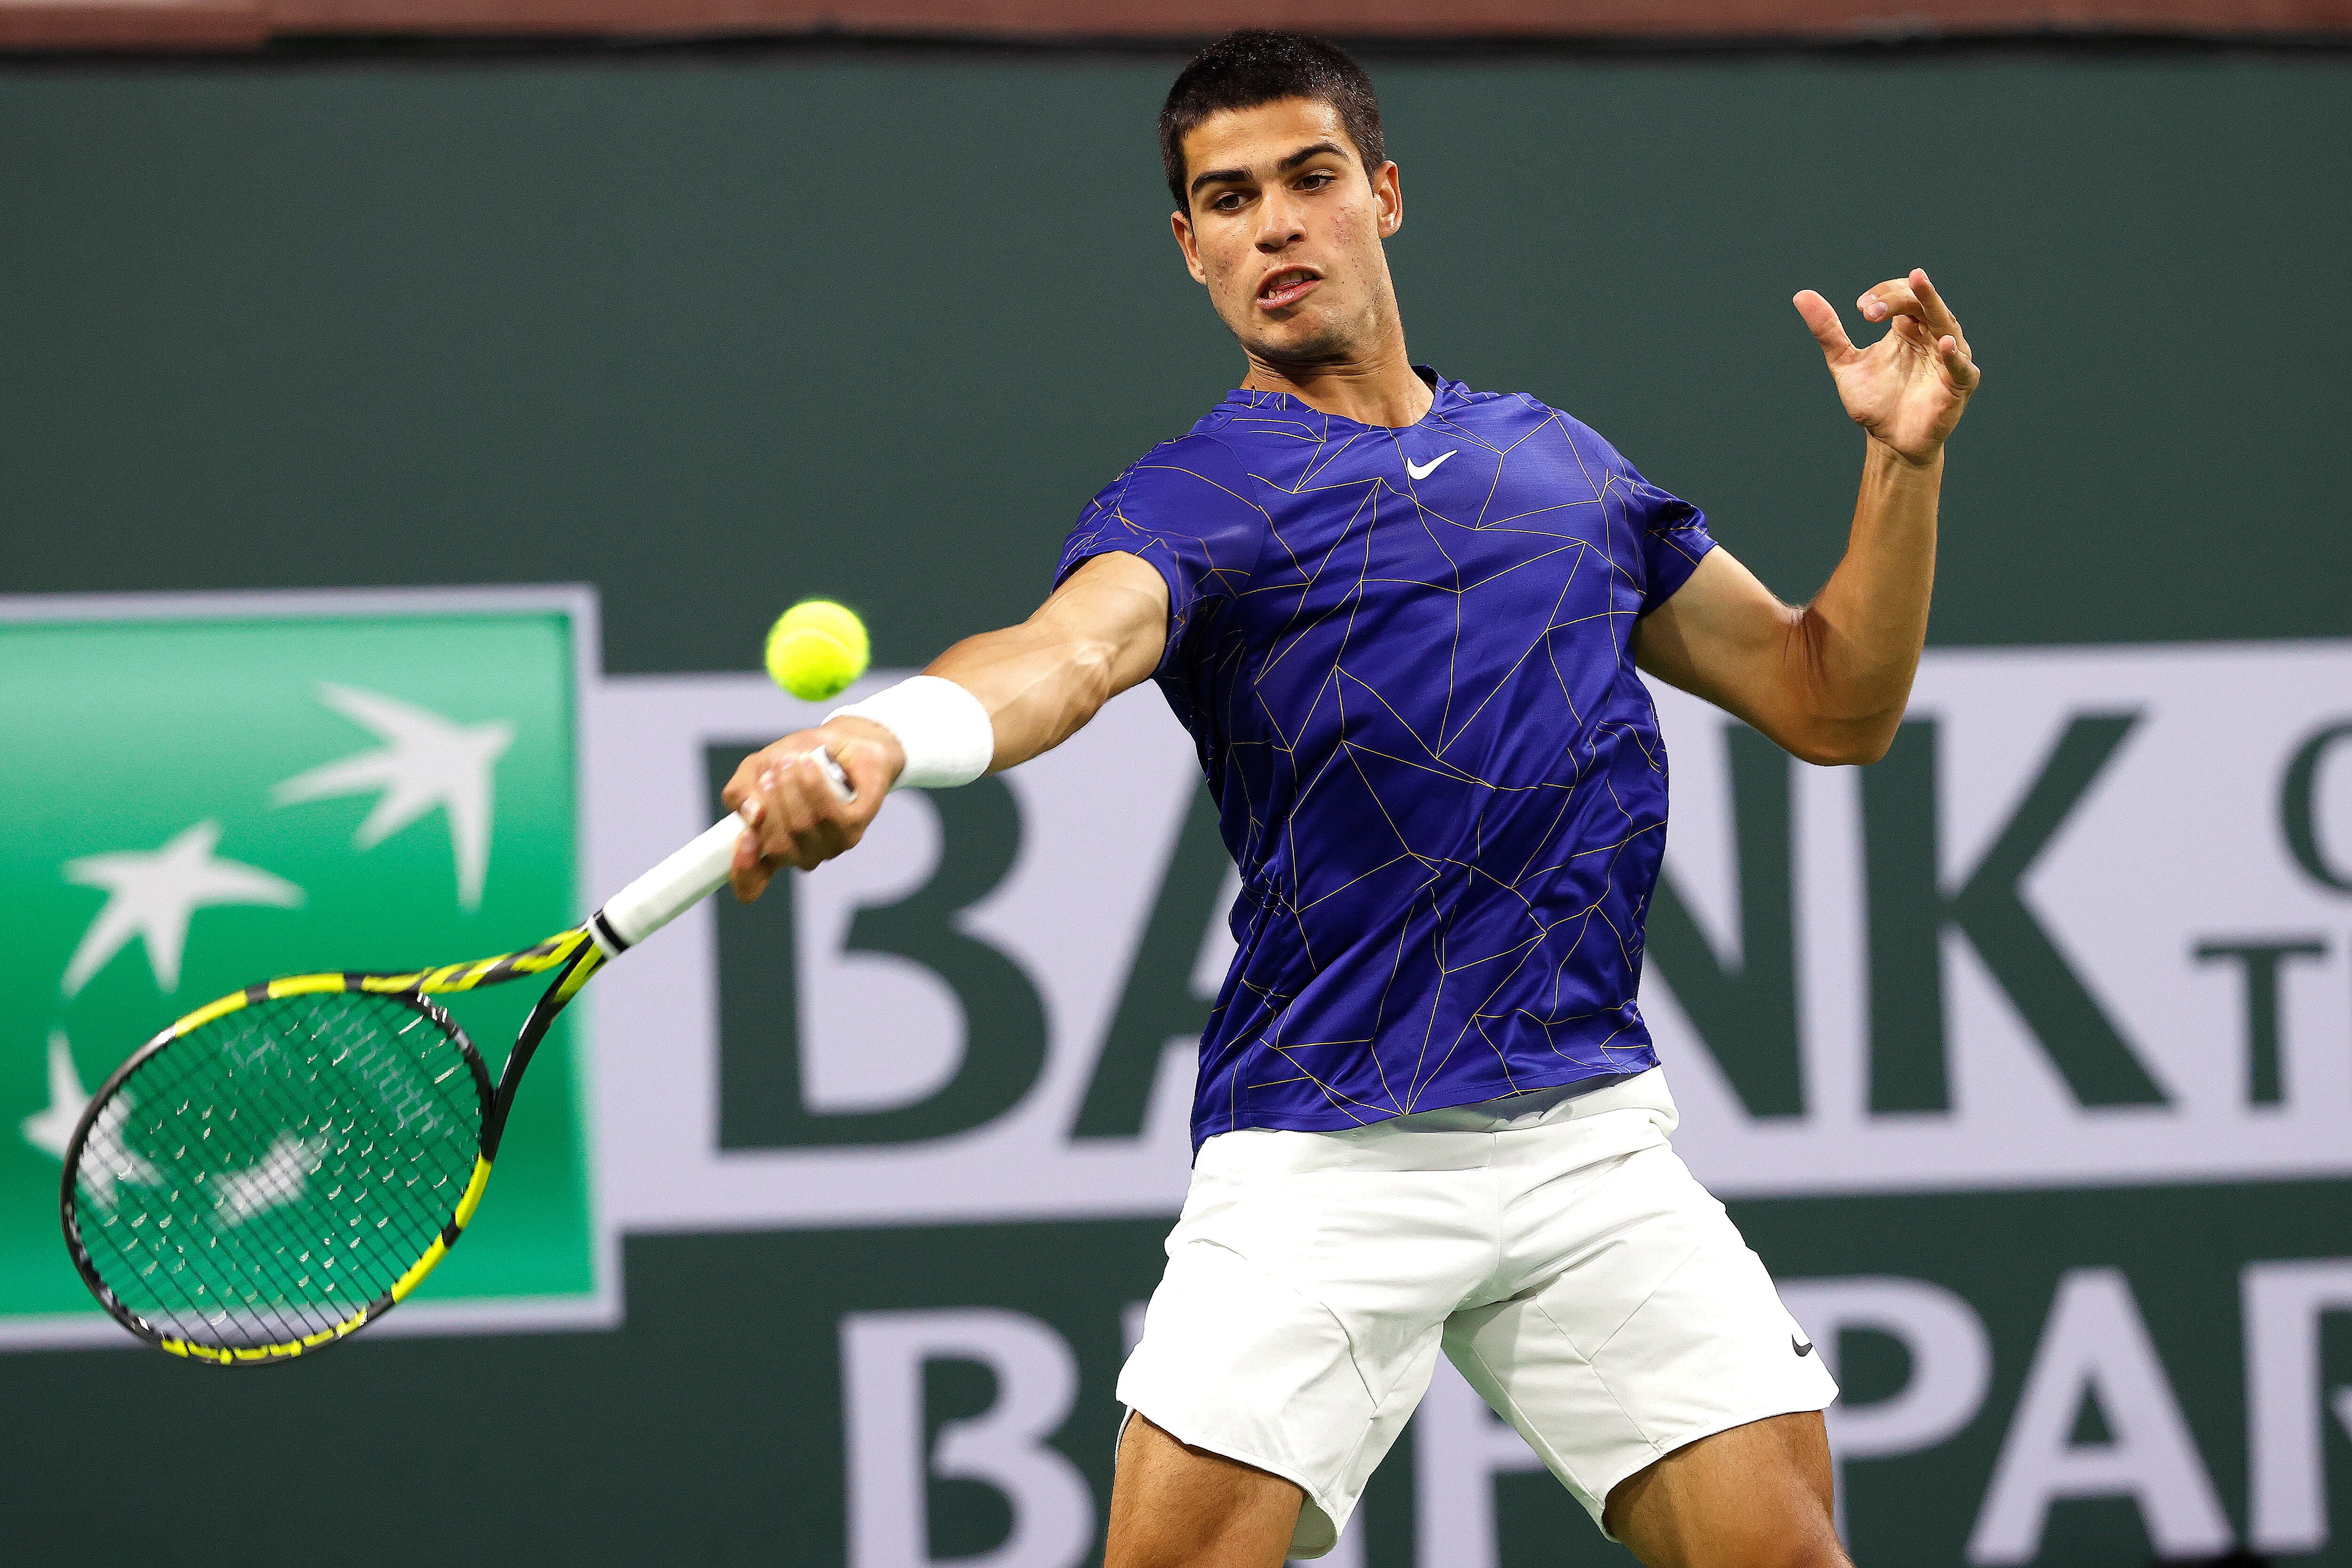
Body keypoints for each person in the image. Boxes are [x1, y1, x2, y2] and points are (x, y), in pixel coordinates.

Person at [723, 28, 1975, 1568]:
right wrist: (890, 738)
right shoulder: (1199, 497)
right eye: (1229, 200)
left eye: (1309, 181)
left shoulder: (1566, 469)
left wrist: (1900, 468)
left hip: (1585, 1129)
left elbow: (1830, 702)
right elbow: (1061, 655)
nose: (1275, 226)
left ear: (1382, 195)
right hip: (1329, 1147)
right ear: (1191, 250)